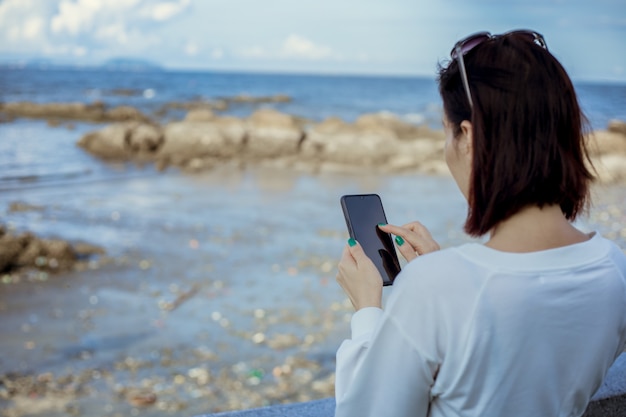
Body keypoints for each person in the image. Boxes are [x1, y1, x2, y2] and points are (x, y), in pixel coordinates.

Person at [334, 30, 626, 417]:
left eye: (445, 130)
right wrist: (440, 273)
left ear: (467, 136)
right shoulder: (615, 270)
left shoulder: (436, 289)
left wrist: (368, 311)